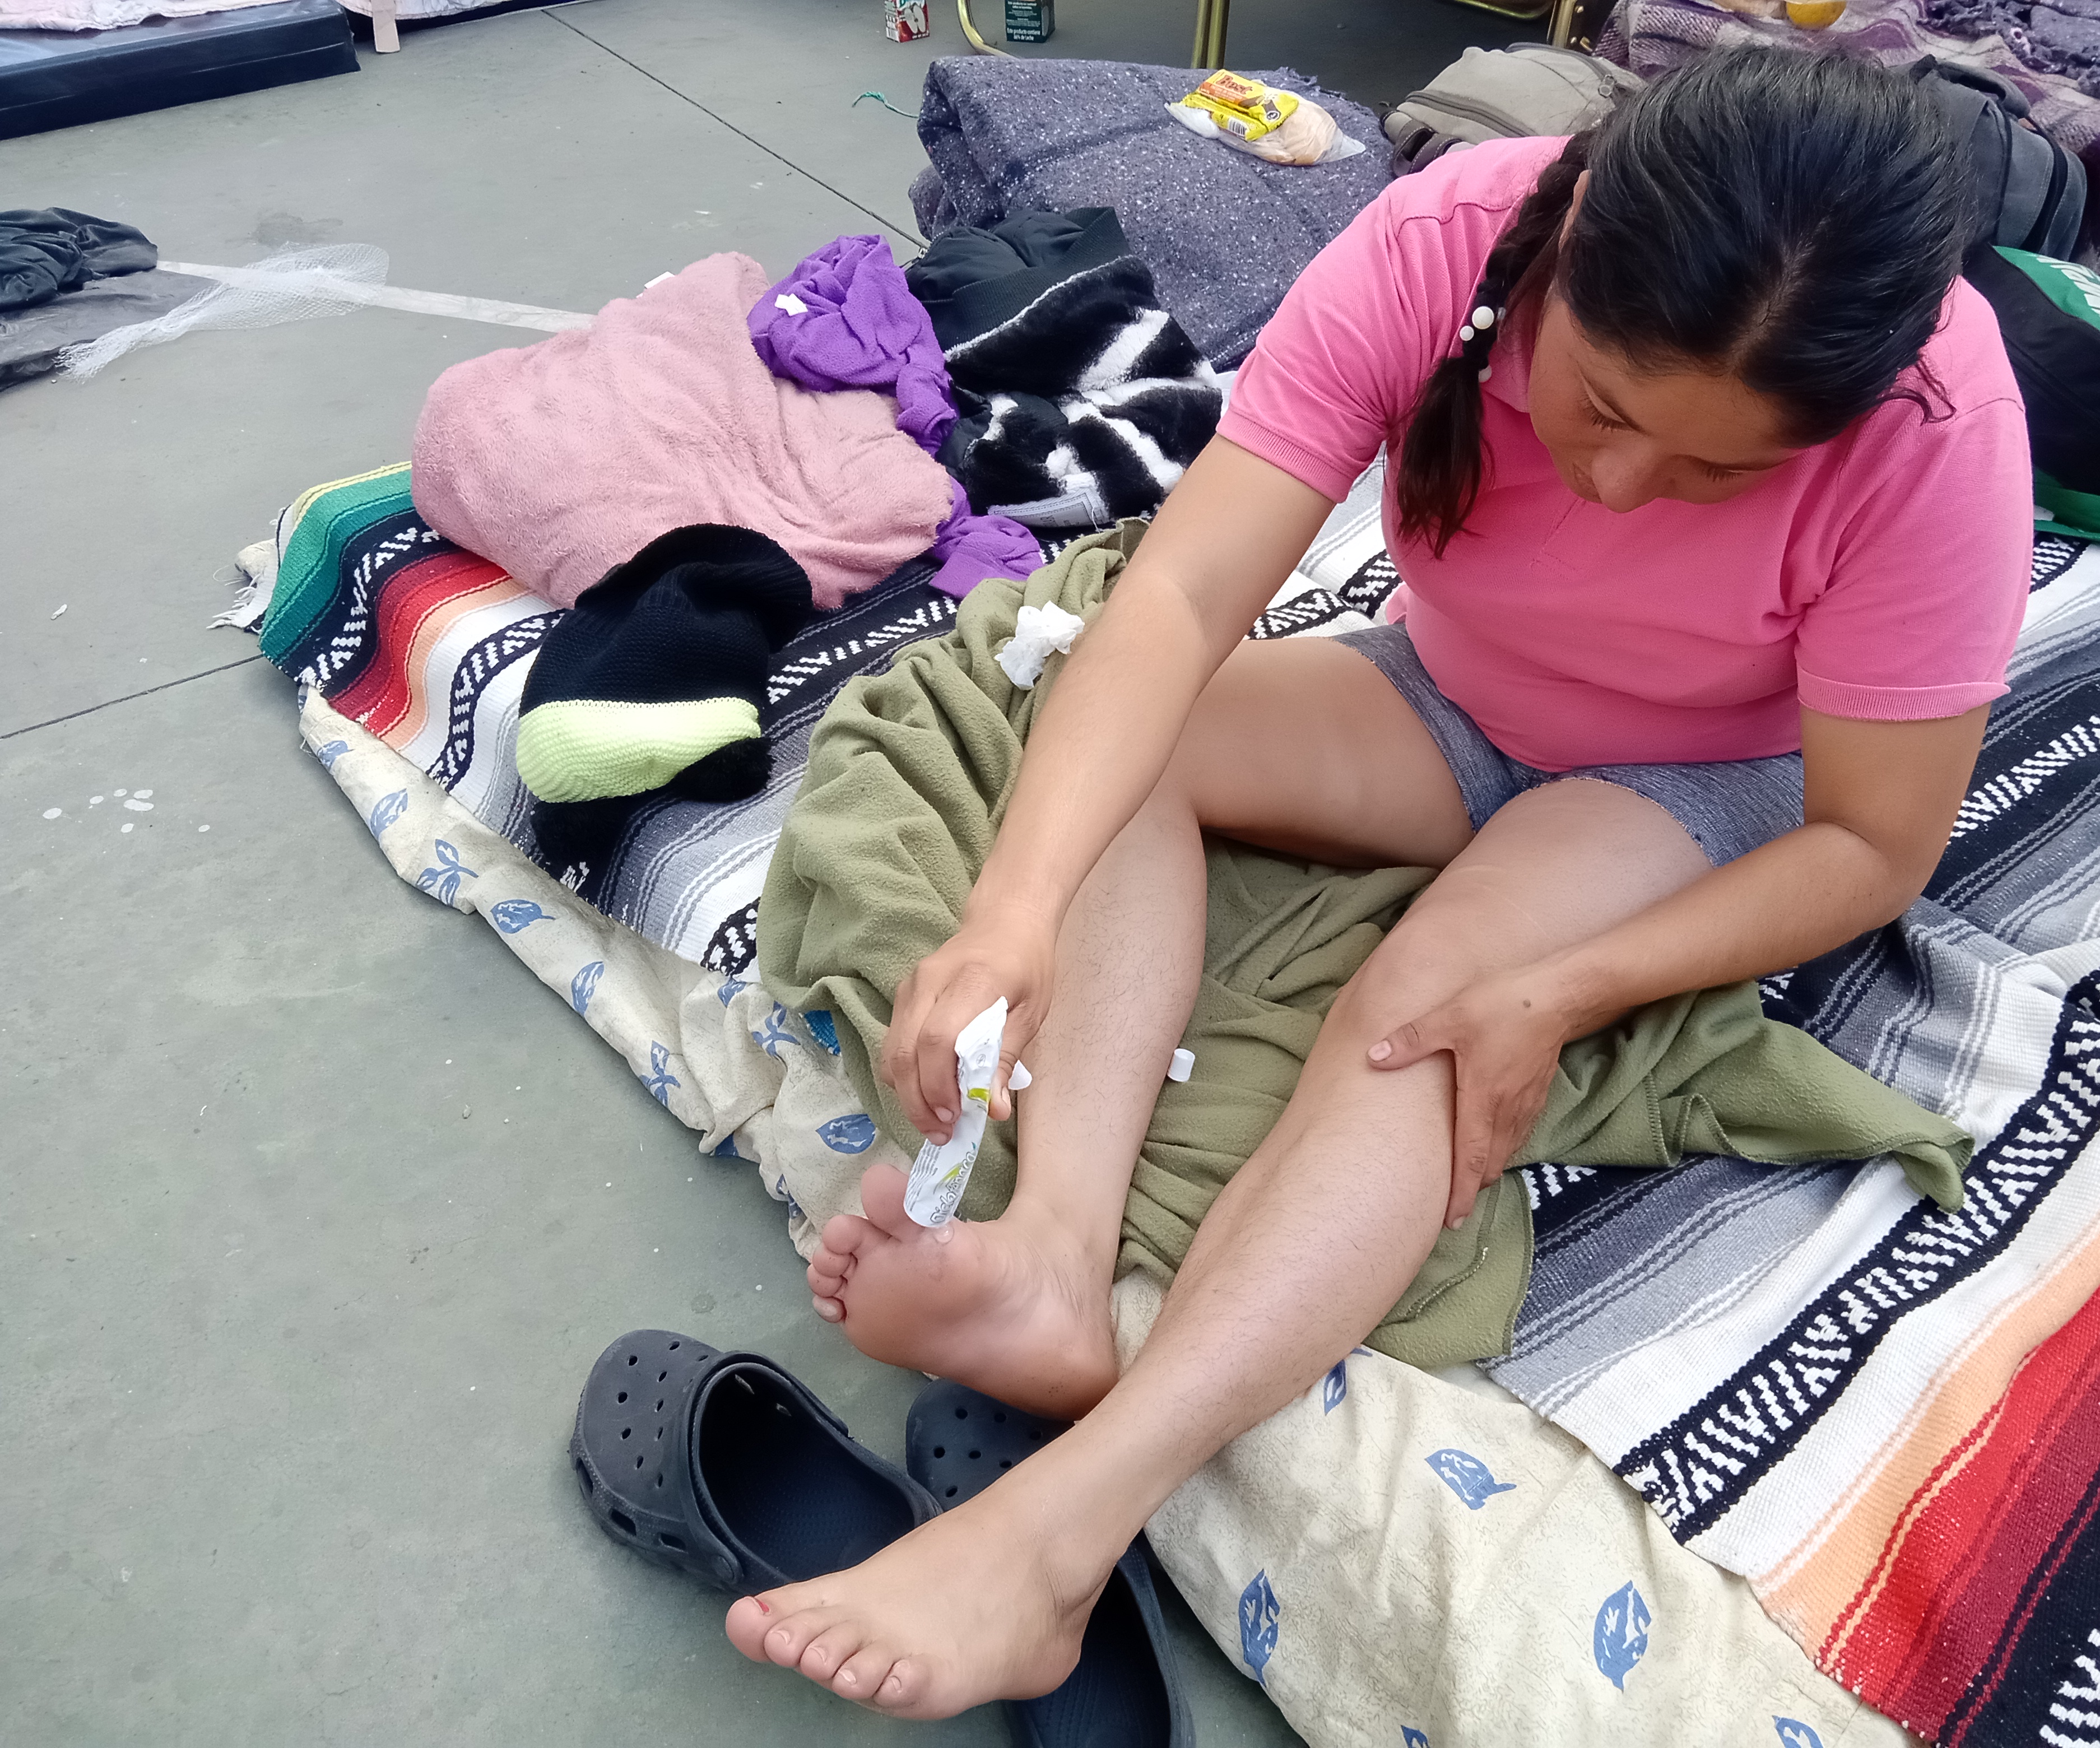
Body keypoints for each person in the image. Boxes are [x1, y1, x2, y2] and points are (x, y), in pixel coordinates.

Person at [731, 45, 2030, 1718]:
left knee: (1432, 1008)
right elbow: (1179, 597)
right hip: (1454, 696)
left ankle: (1061, 1537)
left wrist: (1563, 989)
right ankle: (1053, 1253)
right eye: (1604, 409)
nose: (1623, 487)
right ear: (1567, 246)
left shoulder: (1938, 425)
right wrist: (1013, 913)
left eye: (1719, 473)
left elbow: (1873, 843)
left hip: (1707, 780)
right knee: (1122, 739)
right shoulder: (1444, 244)